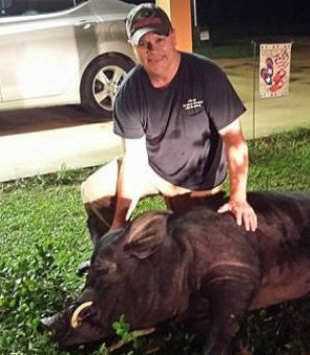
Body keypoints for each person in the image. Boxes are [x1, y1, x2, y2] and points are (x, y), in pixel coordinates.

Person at [80, 3, 257, 246]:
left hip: (197, 180)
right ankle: (111, 256)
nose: (153, 50)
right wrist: (119, 222)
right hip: (154, 170)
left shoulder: (207, 75)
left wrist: (239, 197)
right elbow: (135, 159)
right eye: (143, 43)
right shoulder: (129, 93)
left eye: (159, 39)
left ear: (173, 37)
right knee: (93, 190)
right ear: (133, 46)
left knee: (193, 243)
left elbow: (234, 140)